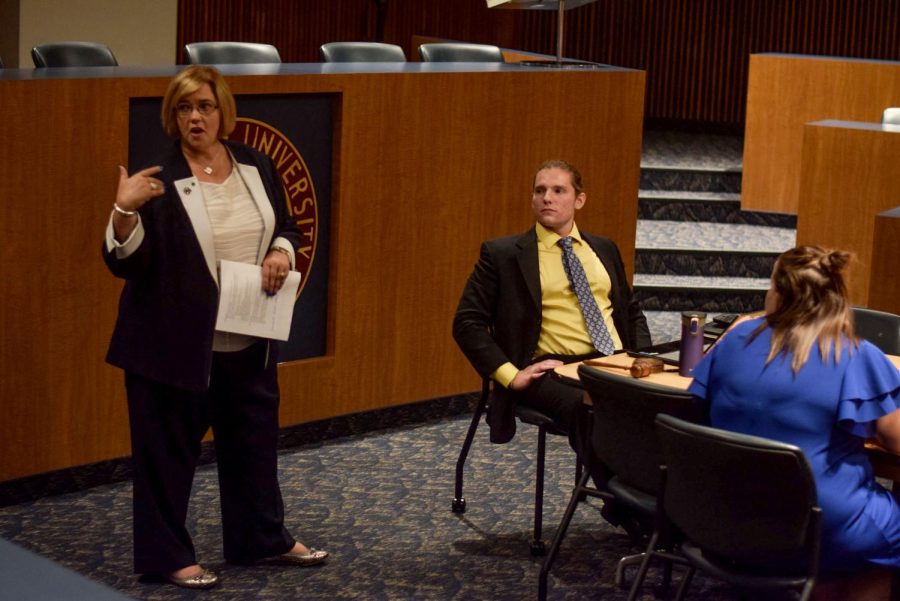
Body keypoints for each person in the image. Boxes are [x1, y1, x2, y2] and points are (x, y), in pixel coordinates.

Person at [102, 65, 328, 590]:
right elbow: (125, 263)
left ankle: (260, 538)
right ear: (172, 117)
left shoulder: (255, 163)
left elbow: (289, 225)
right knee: (166, 456)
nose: (195, 117)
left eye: (204, 106)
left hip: (248, 339)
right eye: (184, 108)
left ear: (222, 111)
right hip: (172, 347)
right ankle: (168, 557)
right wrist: (123, 214)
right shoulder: (156, 176)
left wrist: (281, 249)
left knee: (253, 444)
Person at [688, 246, 900, 600]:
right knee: (876, 541)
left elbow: (701, 406)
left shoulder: (735, 339)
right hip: (819, 524)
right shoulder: (856, 355)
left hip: (725, 514)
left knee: (841, 554)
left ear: (781, 294)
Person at [452, 159, 651, 496]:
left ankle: (662, 502)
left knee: (663, 406)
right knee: (589, 410)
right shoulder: (503, 254)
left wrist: (642, 358)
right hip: (552, 369)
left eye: (559, 190)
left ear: (579, 200)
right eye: (540, 190)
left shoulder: (602, 248)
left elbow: (630, 311)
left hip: (612, 360)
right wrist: (511, 375)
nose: (547, 197)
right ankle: (630, 506)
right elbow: (467, 323)